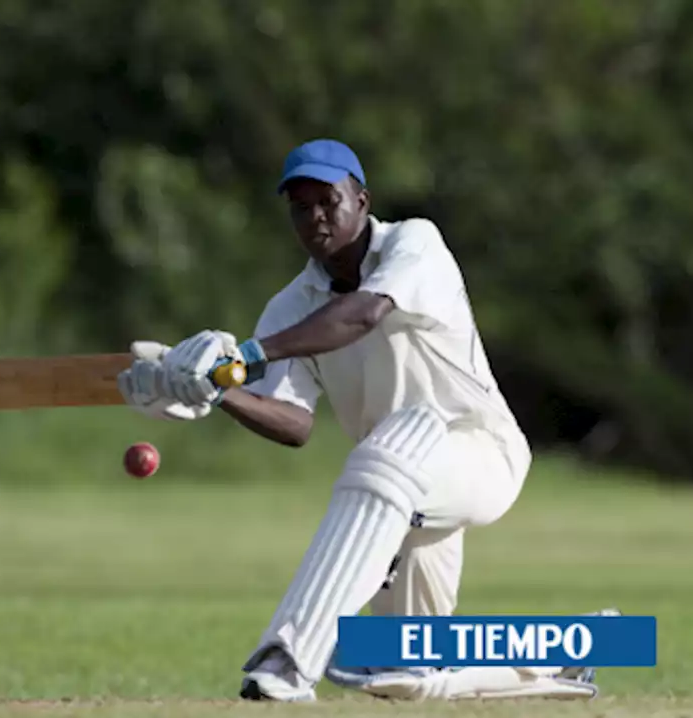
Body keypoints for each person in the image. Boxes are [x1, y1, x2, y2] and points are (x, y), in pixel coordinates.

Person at [115, 138, 603, 702]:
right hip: (392, 490)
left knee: (397, 439)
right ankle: (569, 654)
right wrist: (220, 391)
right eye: (301, 207)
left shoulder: (416, 243)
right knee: (400, 668)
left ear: (362, 199)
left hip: (480, 452)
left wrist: (243, 358)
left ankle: (290, 659)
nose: (316, 216)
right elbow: (294, 424)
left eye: (328, 200)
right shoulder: (290, 305)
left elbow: (363, 313)